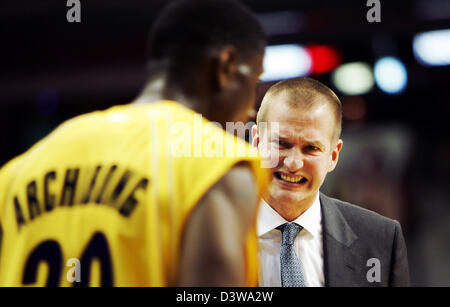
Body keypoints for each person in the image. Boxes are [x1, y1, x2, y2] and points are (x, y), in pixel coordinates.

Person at [0, 0, 267, 286]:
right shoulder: (216, 162)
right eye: (254, 79)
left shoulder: (18, 171)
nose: (252, 108)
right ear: (225, 67)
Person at [251, 77, 410, 286]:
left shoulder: (381, 239)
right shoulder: (207, 232)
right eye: (281, 144)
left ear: (333, 156)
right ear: (256, 142)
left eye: (311, 148)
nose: (293, 163)